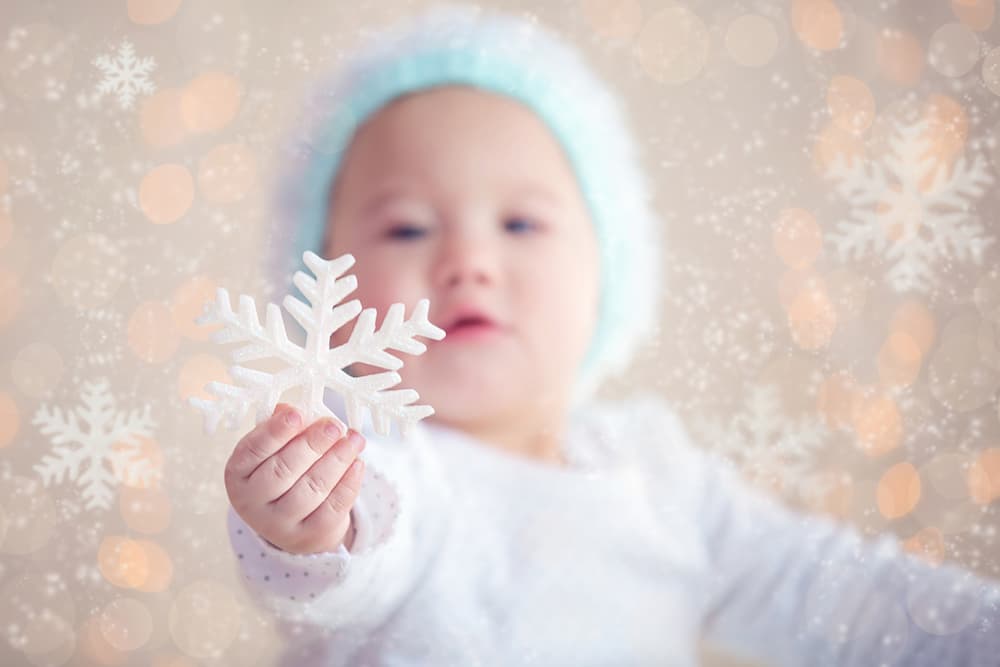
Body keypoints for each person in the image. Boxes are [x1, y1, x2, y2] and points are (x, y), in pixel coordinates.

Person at [223, 4, 1000, 665]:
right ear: (321, 285)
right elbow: (355, 559)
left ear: (610, 267)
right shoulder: (386, 465)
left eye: (521, 221)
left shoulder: (663, 478)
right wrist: (309, 526)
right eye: (407, 226)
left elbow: (839, 595)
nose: (469, 262)